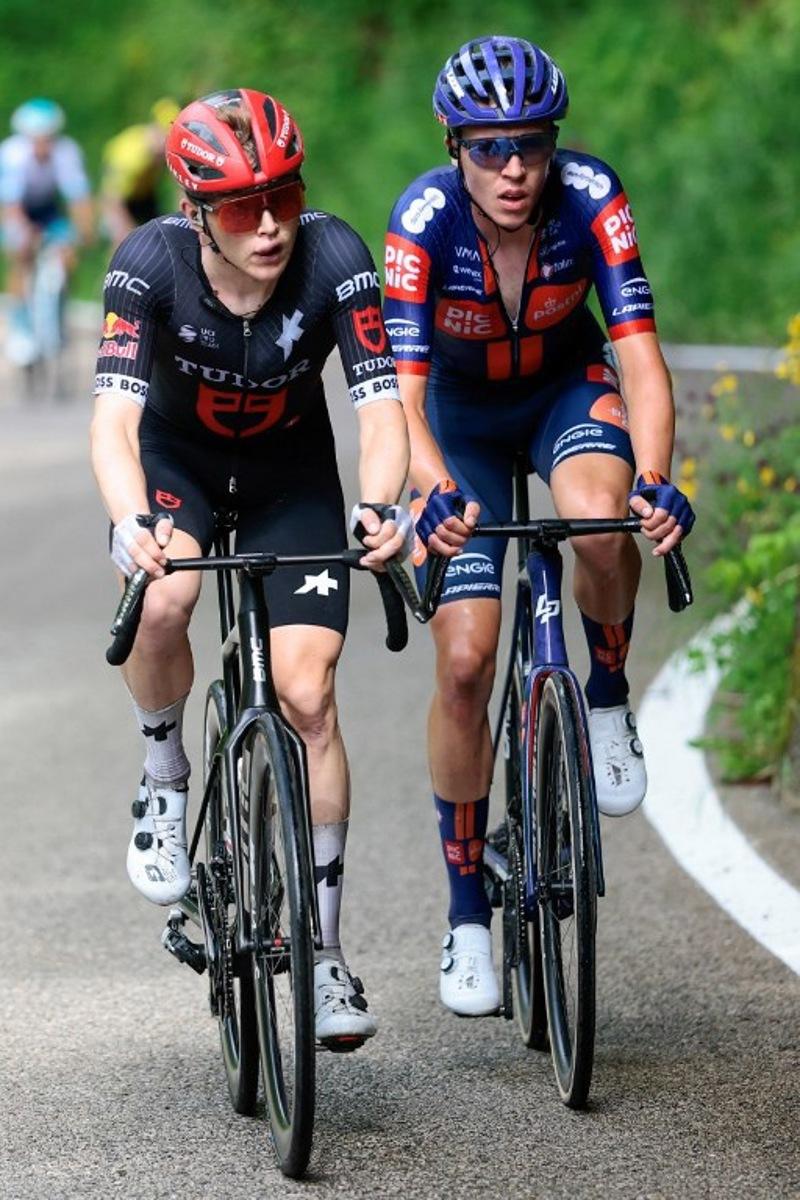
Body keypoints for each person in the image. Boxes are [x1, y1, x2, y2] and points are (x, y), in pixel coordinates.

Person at [90, 88, 412, 1049]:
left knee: (309, 697)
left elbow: (381, 406)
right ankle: (162, 766)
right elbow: (113, 422)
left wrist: (382, 501)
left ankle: (322, 955)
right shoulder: (147, 266)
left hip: (290, 478)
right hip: (178, 468)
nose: (269, 224)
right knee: (164, 599)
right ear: (195, 211)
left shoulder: (336, 256)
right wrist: (128, 520)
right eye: (239, 206)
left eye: (283, 195)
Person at [384, 36, 695, 1016]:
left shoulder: (590, 195)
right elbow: (401, 393)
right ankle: (467, 912)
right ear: (453, 146)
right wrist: (430, 489)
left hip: (565, 390)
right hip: (460, 426)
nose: (512, 169)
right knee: (467, 664)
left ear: (552, 142)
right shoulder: (423, 222)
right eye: (487, 149)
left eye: (529, 145)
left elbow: (639, 359)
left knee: (599, 523)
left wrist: (654, 477)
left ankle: (604, 699)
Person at [0, 98, 93, 364]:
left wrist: (84, 233)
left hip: (50, 211)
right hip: (20, 210)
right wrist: (22, 233)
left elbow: (79, 198)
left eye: (48, 137)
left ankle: (60, 306)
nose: (44, 144)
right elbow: (11, 205)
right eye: (37, 138)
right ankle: (21, 327)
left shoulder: (66, 151)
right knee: (20, 256)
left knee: (66, 255)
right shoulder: (12, 153)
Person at [100, 97, 181, 248]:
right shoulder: (132, 157)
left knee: (164, 238)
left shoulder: (162, 150)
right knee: (124, 245)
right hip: (121, 199)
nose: (168, 140)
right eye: (165, 134)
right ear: (154, 128)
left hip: (144, 194)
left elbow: (180, 184)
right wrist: (126, 234)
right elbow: (112, 200)